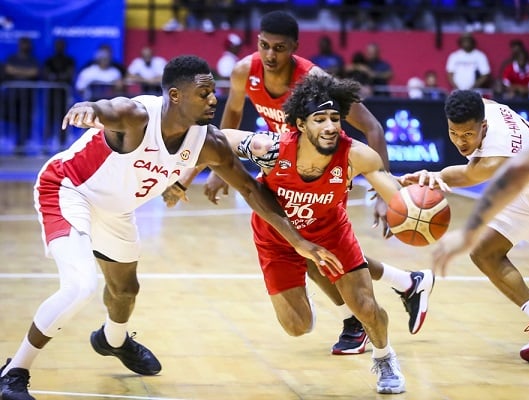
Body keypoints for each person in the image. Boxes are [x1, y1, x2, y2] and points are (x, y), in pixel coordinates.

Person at [0, 55, 341, 400]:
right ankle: (15, 371)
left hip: (116, 210)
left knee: (125, 290)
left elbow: (251, 190)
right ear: (175, 95)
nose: (213, 99)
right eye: (204, 93)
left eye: (213, 92)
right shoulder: (136, 116)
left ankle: (113, 341)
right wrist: (88, 107)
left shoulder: (209, 142)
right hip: (70, 190)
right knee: (81, 285)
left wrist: (298, 241)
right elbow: (108, 107)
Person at [163, 10, 434, 356]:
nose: (270, 55)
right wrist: (214, 171)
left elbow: (374, 128)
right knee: (303, 247)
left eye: (279, 48)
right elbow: (227, 123)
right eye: (264, 46)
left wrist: (383, 195)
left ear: (294, 47)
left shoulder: (316, 81)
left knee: (314, 244)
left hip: (321, 168)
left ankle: (364, 317)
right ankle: (405, 282)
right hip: (281, 164)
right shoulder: (246, 71)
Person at [231, 74, 408, 393]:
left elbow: (391, 189)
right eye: (320, 119)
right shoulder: (270, 149)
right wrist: (188, 173)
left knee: (365, 306)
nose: (330, 126)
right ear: (300, 124)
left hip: (330, 231)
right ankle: (301, 278)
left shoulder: (355, 154)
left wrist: (408, 204)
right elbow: (217, 138)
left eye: (335, 119)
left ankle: (384, 357)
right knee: (298, 327)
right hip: (278, 238)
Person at [399, 89, 529, 364]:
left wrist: (432, 176)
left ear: (484, 126)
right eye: (453, 133)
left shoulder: (497, 155)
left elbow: (469, 175)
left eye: (468, 135)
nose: (460, 142)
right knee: (484, 252)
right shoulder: (483, 105)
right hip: (527, 187)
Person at [3, 36, 40, 154]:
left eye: (27, 44)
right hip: (12, 96)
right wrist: (25, 73)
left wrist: (17, 71)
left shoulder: (33, 59)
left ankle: (22, 145)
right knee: (13, 120)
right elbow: (8, 70)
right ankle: (13, 144)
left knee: (25, 120)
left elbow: (34, 72)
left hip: (27, 96)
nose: (25, 46)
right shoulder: (12, 58)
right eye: (22, 44)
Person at [42, 38, 76, 152]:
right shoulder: (49, 60)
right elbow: (46, 74)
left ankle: (62, 146)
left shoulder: (69, 60)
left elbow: (69, 74)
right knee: (49, 121)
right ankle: (45, 146)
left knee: (64, 120)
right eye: (57, 45)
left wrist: (56, 77)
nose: (59, 47)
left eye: (61, 45)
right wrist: (56, 78)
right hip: (51, 95)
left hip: (64, 95)